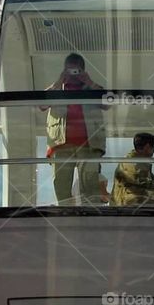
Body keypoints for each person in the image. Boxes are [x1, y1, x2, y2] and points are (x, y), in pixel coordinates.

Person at [41, 54, 107, 205]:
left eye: (76, 69)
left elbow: (108, 102)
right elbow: (41, 104)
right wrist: (58, 82)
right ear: (64, 70)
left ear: (83, 70)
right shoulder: (56, 89)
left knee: (90, 190)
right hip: (61, 145)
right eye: (69, 69)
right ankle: (65, 217)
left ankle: (90, 220)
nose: (73, 73)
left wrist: (89, 82)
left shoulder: (92, 89)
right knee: (62, 189)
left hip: (89, 146)